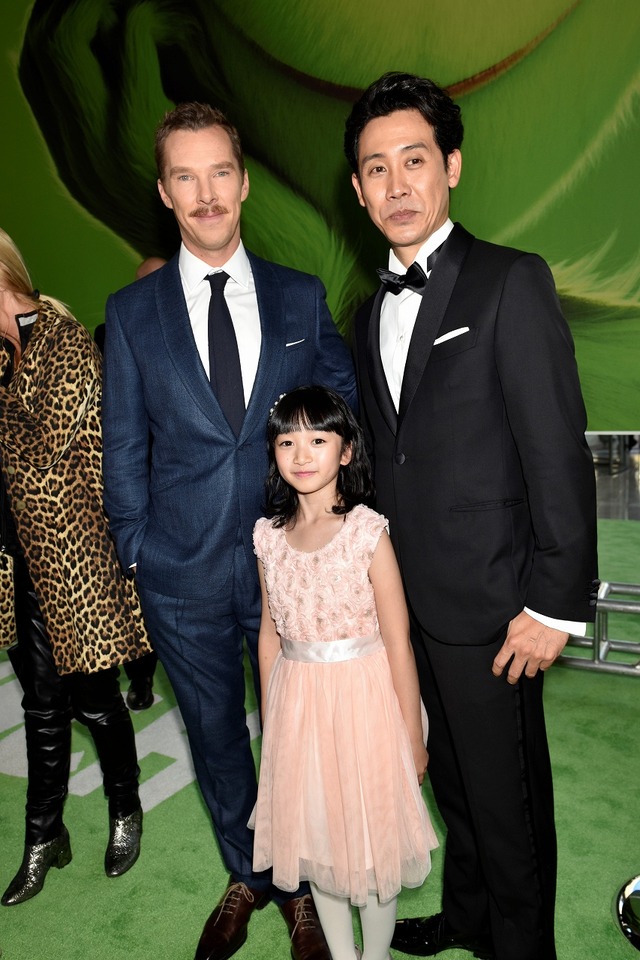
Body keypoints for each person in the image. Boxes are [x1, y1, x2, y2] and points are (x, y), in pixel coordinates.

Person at [343, 73, 599, 960]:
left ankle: (522, 945)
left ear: (451, 165)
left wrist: (553, 604)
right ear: (358, 189)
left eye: (414, 160)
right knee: (452, 785)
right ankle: (468, 917)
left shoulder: (509, 281)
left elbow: (556, 450)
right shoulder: (366, 311)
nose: (397, 184)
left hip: (496, 609)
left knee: (507, 806)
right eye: (376, 168)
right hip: (409, 609)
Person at [101, 102, 356, 960]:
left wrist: (330, 528)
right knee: (214, 739)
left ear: (243, 183)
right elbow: (122, 443)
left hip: (293, 567)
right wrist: (136, 548)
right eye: (186, 176)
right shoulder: (131, 313)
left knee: (298, 738)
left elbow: (343, 411)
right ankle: (251, 874)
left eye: (220, 173)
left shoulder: (299, 296)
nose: (206, 193)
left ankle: (303, 885)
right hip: (180, 575)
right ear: (165, 193)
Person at [251, 385, 438, 960]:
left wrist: (412, 736)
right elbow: (269, 637)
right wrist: (272, 725)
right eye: (287, 442)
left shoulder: (366, 533)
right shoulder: (268, 538)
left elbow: (399, 643)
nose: (302, 454)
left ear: (346, 450)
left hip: (366, 706)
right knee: (318, 844)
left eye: (318, 439)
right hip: (298, 709)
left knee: (370, 843)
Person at [0, 227, 152, 906]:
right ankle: (44, 835)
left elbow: (43, 452)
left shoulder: (62, 341)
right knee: (40, 707)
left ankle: (125, 807)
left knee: (94, 701)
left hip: (76, 560)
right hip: (18, 560)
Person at [94, 255, 167, 713]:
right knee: (134, 593)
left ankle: (143, 674)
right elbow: (117, 424)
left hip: (179, 482)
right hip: (137, 483)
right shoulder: (112, 331)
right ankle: (140, 674)